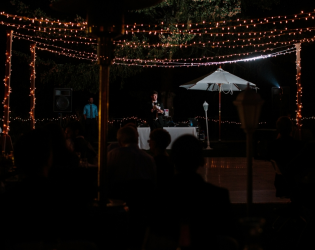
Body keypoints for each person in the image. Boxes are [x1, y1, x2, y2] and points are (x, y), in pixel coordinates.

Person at [147, 135, 235, 250]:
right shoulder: (218, 196)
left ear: (171, 159)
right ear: (202, 161)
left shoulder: (158, 196)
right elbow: (230, 238)